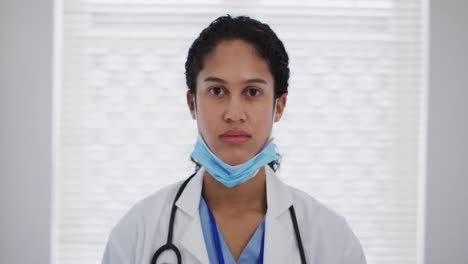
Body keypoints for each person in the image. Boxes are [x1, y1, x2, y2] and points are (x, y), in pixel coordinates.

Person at [102, 15, 367, 264]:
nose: (234, 114)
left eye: (252, 92)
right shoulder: (138, 232)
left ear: (280, 106)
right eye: (217, 90)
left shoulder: (332, 239)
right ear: (191, 103)